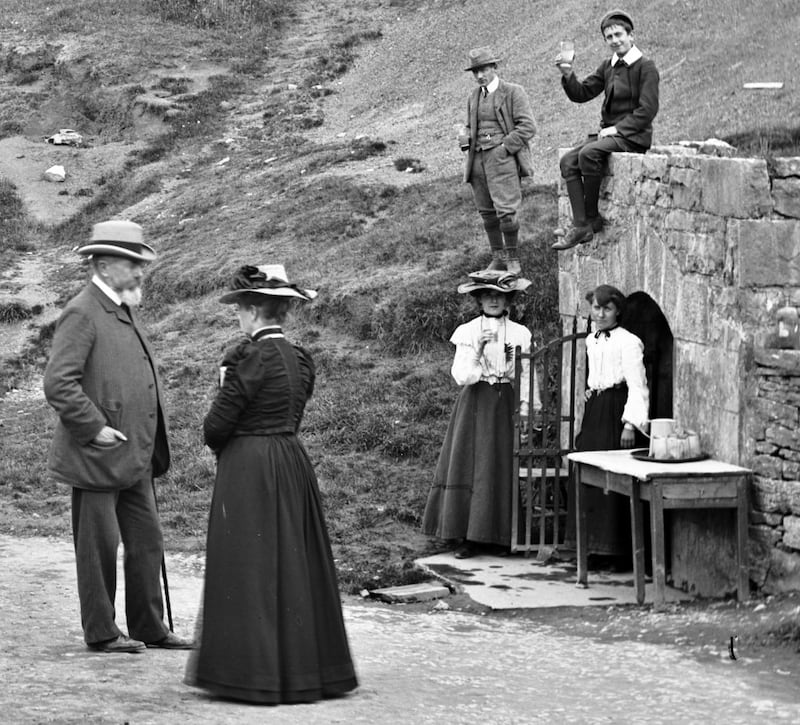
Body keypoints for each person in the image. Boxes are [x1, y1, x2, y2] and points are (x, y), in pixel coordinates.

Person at [185, 264, 358, 704]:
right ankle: (304, 668)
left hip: (249, 465)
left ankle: (251, 672)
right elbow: (294, 411)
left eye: (241, 309)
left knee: (249, 563)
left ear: (254, 311)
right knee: (293, 561)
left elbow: (215, 428)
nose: (239, 318)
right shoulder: (300, 359)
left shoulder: (247, 358)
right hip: (290, 457)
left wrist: (221, 394)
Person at [43, 220, 192, 653]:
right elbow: (59, 383)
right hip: (96, 456)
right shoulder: (82, 312)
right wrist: (93, 427)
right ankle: (103, 632)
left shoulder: (123, 307)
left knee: (147, 543)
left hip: (136, 457)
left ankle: (150, 626)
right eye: (133, 263)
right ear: (104, 266)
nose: (142, 271)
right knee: (99, 551)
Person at [422, 271, 540, 558]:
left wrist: (526, 408)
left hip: (504, 401)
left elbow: (521, 373)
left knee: (499, 465)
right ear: (478, 299)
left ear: (508, 299)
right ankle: (468, 536)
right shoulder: (469, 331)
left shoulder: (517, 335)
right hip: (475, 401)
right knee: (471, 463)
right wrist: (478, 349)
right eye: (487, 295)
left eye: (499, 295)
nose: (493, 300)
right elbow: (462, 375)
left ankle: (500, 536)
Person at [552, 9, 660, 251]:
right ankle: (580, 224)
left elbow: (648, 109)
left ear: (631, 35)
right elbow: (582, 93)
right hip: (610, 135)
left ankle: (591, 220)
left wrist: (617, 129)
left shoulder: (646, 67)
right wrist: (568, 75)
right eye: (609, 37)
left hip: (633, 136)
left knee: (587, 154)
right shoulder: (608, 67)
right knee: (568, 161)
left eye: (619, 34)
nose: (615, 41)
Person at [565, 284, 650, 564]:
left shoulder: (629, 341)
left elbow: (638, 385)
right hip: (596, 409)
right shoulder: (592, 339)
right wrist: (592, 391)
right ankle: (589, 547)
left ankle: (616, 552)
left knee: (614, 477)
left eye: (607, 309)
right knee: (589, 471)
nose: (600, 314)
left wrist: (629, 424)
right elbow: (597, 374)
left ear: (617, 311)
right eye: (596, 308)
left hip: (616, 410)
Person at [459, 46, 537, 275]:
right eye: (475, 72)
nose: (480, 75)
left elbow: (528, 127)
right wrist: (465, 135)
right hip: (477, 161)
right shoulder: (473, 96)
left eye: (483, 69)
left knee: (506, 210)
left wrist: (504, 148)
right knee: (487, 211)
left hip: (501, 159)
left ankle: (512, 257)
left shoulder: (513, 92)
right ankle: (498, 258)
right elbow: (468, 125)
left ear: (494, 67)